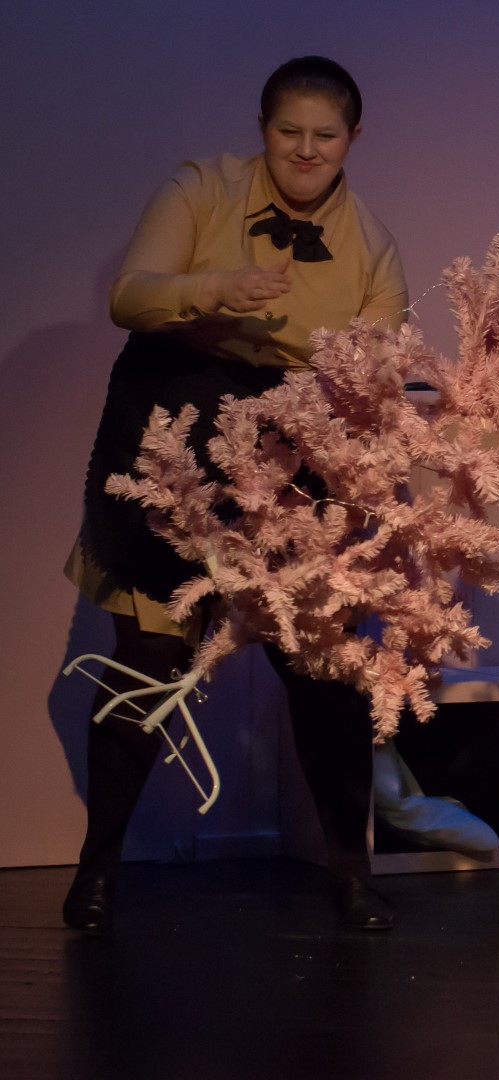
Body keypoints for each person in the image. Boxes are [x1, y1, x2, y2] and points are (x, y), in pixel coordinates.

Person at [63, 56, 408, 934]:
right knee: (149, 654)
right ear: (262, 129)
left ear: (353, 139)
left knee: (323, 664)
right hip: (174, 421)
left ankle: (351, 875)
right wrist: (215, 289)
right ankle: (95, 873)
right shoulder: (202, 189)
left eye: (325, 135)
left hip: (294, 446)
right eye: (288, 131)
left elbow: (378, 374)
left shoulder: (372, 244)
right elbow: (130, 294)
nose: (306, 150)